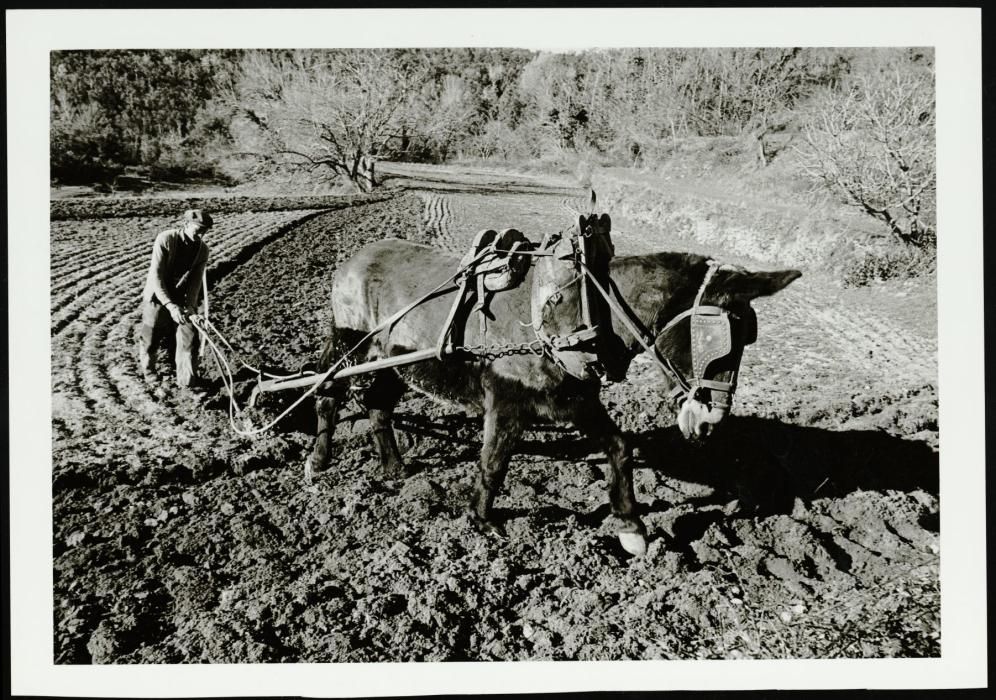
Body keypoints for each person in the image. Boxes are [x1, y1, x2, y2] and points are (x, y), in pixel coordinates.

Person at [137, 209, 212, 390]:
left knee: (190, 337)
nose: (200, 234)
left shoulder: (202, 250)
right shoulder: (166, 239)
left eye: (204, 231)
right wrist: (170, 306)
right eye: (198, 229)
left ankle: (187, 383)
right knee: (152, 334)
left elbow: (195, 284)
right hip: (157, 294)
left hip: (181, 296)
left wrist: (190, 307)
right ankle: (149, 373)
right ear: (186, 225)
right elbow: (156, 276)